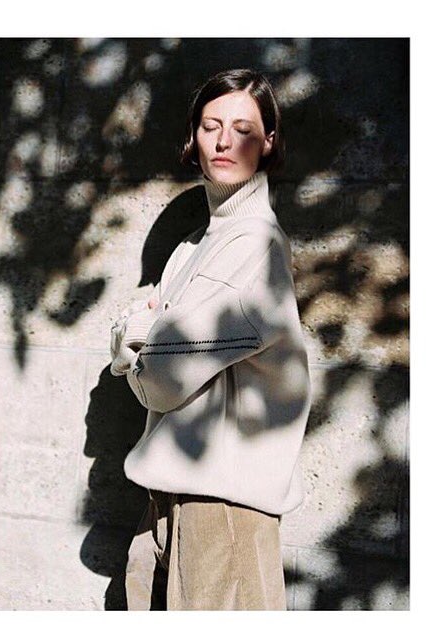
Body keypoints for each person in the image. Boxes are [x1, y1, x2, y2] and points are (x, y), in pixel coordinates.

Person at [109, 68, 311, 610]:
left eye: (243, 129)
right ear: (193, 137)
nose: (224, 142)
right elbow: (154, 357)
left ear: (268, 142)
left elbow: (161, 377)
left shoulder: (254, 243)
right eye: (210, 126)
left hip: (222, 510)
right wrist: (146, 339)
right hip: (170, 494)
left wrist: (135, 336)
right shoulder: (193, 245)